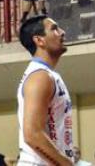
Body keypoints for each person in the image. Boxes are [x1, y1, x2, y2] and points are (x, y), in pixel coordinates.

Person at [17, 15, 74, 166]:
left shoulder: (47, 75)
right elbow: (32, 135)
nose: (62, 32)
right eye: (54, 29)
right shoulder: (40, 77)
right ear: (39, 40)